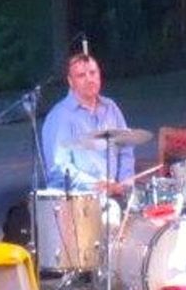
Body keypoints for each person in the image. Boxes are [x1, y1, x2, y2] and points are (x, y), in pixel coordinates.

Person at [41, 52, 136, 196]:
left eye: (93, 73)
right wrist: (96, 185)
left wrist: (125, 184)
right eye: (81, 75)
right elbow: (59, 169)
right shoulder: (59, 116)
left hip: (115, 194)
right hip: (78, 200)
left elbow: (125, 150)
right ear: (70, 81)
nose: (89, 79)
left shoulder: (111, 107)